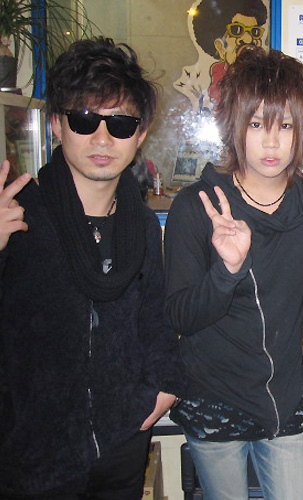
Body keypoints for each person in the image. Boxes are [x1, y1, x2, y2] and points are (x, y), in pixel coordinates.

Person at [0, 38, 183, 499]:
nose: (102, 139)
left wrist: (163, 388)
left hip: (121, 447)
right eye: (84, 119)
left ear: (140, 135)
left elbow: (156, 322)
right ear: (57, 124)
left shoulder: (142, 225)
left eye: (120, 124)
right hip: (31, 455)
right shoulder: (18, 217)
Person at [164, 47, 303, 500]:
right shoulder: (197, 206)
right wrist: (227, 270)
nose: (272, 142)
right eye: (257, 124)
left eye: (286, 126)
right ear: (235, 126)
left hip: (285, 399)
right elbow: (180, 316)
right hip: (213, 396)